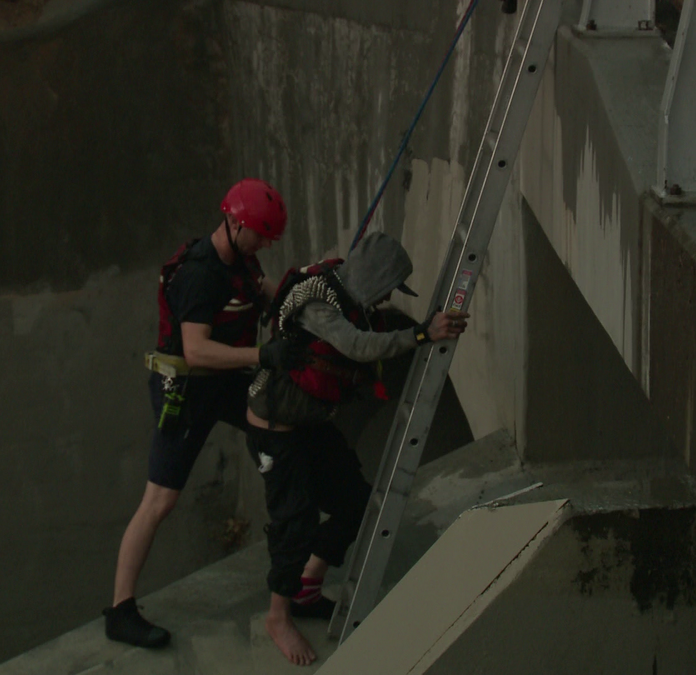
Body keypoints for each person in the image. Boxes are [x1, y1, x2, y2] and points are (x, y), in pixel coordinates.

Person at [244, 232, 468, 666]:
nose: (386, 298)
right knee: (295, 523)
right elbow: (359, 347)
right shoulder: (318, 305)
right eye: (387, 288)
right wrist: (421, 335)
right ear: (371, 278)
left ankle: (307, 588)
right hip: (276, 430)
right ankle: (278, 617)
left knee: (356, 503)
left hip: (309, 427)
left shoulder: (348, 293)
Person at [103, 178, 306, 648]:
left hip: (226, 382)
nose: (263, 244)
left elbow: (266, 293)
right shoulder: (200, 273)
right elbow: (195, 351)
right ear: (235, 223)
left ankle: (298, 579)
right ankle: (120, 610)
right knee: (160, 500)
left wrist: (301, 299)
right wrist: (263, 356)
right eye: (259, 234)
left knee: (285, 435)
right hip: (189, 390)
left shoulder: (241, 258)